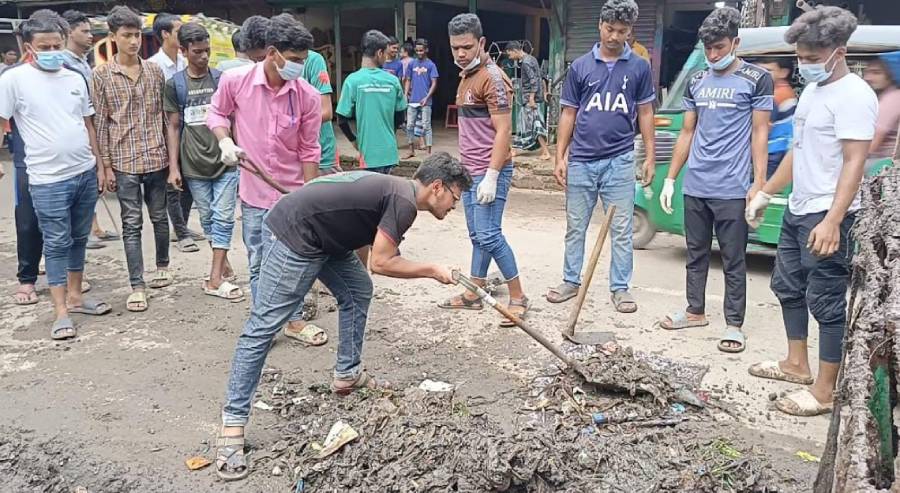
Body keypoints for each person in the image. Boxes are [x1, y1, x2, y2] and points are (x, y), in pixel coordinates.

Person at [214, 153, 469, 481]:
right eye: (454, 198)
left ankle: (347, 374)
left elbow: (367, 239)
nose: (453, 207)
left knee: (358, 289)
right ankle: (233, 425)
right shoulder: (403, 202)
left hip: (323, 235)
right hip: (296, 234)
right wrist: (433, 270)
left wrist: (359, 274)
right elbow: (382, 262)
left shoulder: (396, 191)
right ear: (437, 187)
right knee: (263, 326)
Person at [745, 6, 876, 417]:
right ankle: (795, 364)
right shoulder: (812, 93)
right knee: (787, 286)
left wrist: (834, 220)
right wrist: (765, 192)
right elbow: (798, 153)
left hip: (829, 214)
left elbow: (855, 161)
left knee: (826, 301)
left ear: (840, 51)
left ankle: (824, 391)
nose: (805, 65)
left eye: (813, 59)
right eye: (800, 58)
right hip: (799, 208)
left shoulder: (855, 95)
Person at [657, 7, 773, 353]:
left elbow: (760, 134)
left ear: (735, 42)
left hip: (732, 188)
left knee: (733, 259)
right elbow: (687, 132)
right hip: (696, 185)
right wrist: (671, 179)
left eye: (720, 47)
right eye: (708, 48)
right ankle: (695, 311)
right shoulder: (696, 80)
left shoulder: (756, 79)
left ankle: (734, 324)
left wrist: (759, 184)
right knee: (695, 254)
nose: (713, 55)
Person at [207, 13, 323, 347]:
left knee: (295, 260)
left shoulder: (307, 96)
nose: (300, 66)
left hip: (292, 194)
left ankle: (295, 320)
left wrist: (310, 198)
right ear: (272, 53)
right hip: (255, 192)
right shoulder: (235, 82)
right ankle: (264, 321)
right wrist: (224, 141)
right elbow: (216, 113)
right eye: (296, 59)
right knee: (258, 261)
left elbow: (309, 150)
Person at [0, 10, 110, 339]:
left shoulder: (75, 78)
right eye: (44, 48)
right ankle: (60, 310)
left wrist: (100, 165)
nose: (51, 53)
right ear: (28, 47)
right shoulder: (13, 80)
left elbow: (88, 124)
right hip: (47, 179)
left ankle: (76, 298)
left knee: (79, 239)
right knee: (57, 242)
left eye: (56, 45)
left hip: (83, 172)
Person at [547, 0, 656, 315]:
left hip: (620, 159)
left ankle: (620, 289)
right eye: (610, 29)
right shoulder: (580, 66)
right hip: (581, 159)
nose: (614, 36)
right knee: (576, 225)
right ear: (600, 25)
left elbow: (646, 111)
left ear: (630, 31)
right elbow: (568, 113)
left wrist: (648, 156)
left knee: (621, 228)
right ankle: (570, 280)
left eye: (621, 31)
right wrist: (560, 156)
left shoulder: (639, 67)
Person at [439, 13, 530, 325]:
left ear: (480, 43)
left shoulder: (493, 77)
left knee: (490, 235)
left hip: (489, 171)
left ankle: (518, 297)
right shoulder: (467, 75)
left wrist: (491, 176)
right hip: (469, 172)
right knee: (478, 235)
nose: (460, 53)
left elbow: (504, 130)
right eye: (455, 48)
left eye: (466, 46)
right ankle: (475, 291)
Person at [93, 6, 173, 312]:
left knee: (159, 216)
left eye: (137, 34)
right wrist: (106, 166)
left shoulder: (154, 71)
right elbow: (101, 122)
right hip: (124, 162)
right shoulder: (101, 75)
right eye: (126, 35)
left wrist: (172, 161)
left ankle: (163, 265)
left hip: (156, 157)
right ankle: (137, 285)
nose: (133, 41)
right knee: (131, 224)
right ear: (113, 37)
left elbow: (164, 118)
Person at [163, 22, 242, 303]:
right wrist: (173, 167)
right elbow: (173, 127)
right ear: (183, 51)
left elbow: (235, 118)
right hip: (193, 165)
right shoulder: (176, 85)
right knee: (208, 219)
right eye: (197, 52)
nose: (204, 57)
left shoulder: (223, 80)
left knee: (222, 218)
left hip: (225, 163)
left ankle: (214, 277)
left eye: (207, 51)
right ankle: (222, 263)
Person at [336, 29, 408, 268]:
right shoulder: (392, 81)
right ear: (379, 52)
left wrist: (356, 141)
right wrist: (389, 131)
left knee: (368, 207)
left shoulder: (353, 81)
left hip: (368, 154)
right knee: (388, 203)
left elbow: (342, 118)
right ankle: (389, 249)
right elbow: (401, 115)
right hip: (389, 151)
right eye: (386, 52)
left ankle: (369, 257)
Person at [61, 10, 119, 251]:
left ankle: (94, 227)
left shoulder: (83, 62)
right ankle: (79, 233)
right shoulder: (64, 64)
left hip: (90, 125)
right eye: (84, 31)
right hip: (73, 130)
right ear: (68, 32)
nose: (90, 36)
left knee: (91, 179)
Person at [148, 13, 203, 253]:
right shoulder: (154, 66)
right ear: (165, 34)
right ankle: (180, 233)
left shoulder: (184, 61)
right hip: (166, 132)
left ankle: (181, 226)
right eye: (178, 30)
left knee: (188, 182)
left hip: (188, 130)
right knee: (173, 184)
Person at [505, 40, 550, 161]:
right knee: (527, 125)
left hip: (530, 99)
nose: (510, 57)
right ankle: (516, 150)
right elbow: (540, 77)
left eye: (510, 54)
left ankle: (545, 152)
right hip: (533, 98)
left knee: (535, 125)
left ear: (515, 50)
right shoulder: (532, 59)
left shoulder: (525, 62)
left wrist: (531, 99)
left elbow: (533, 81)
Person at [757, 57, 797, 179]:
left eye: (768, 70)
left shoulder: (776, 94)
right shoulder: (787, 91)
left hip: (772, 151)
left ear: (784, 72)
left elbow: (764, 127)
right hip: (781, 149)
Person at [403, 38, 438, 158]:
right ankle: (411, 150)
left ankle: (428, 153)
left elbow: (434, 83)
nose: (419, 53)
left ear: (426, 50)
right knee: (409, 126)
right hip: (412, 100)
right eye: (417, 50)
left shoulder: (431, 65)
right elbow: (408, 80)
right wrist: (405, 94)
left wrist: (427, 97)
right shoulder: (411, 64)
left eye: (421, 50)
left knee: (426, 126)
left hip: (426, 101)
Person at [863, 56, 900, 162]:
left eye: (876, 73)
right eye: (867, 72)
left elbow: (873, 143)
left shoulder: (892, 99)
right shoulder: (886, 95)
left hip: (882, 161)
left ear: (890, 76)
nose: (868, 78)